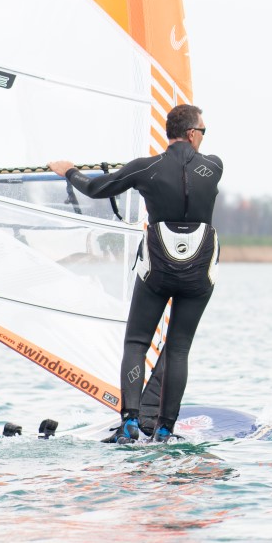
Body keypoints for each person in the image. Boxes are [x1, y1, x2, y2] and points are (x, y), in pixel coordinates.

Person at [49, 104, 222, 443]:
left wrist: (69, 171)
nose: (203, 137)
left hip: (159, 267)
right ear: (191, 134)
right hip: (199, 270)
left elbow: (96, 189)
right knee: (178, 349)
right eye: (203, 131)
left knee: (137, 342)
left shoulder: (145, 168)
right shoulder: (214, 166)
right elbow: (187, 170)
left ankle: (129, 422)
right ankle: (165, 429)